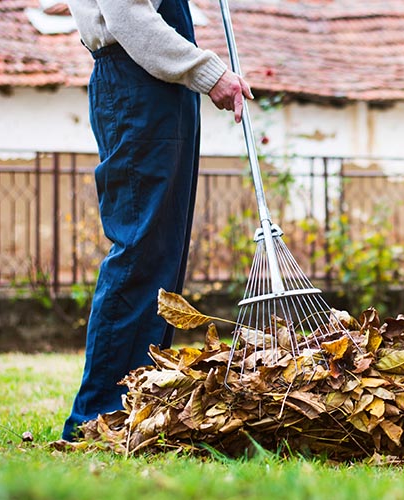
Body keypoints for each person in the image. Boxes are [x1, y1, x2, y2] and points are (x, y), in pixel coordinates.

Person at [62, 0, 252, 440]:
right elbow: (128, 16)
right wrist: (210, 72)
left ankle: (136, 406)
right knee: (140, 249)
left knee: (161, 255)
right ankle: (99, 415)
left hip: (158, 89)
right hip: (135, 85)